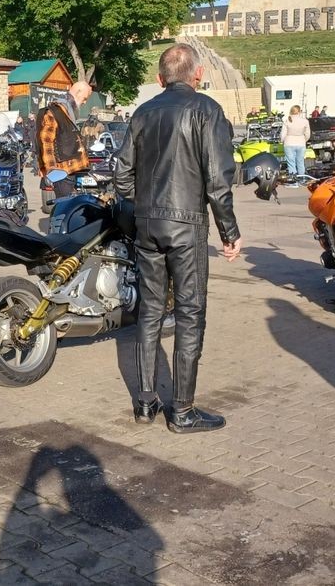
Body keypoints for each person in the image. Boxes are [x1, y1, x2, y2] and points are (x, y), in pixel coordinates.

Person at [112, 43, 241, 434]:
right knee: (189, 314)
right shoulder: (207, 111)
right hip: (187, 227)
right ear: (198, 75)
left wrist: (144, 209)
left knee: (149, 312)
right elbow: (219, 181)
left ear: (159, 79)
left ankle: (146, 403)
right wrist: (230, 233)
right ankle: (182, 411)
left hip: (148, 226)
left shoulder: (142, 113)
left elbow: (121, 177)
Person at [280, 105, 310, 185]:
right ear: (300, 111)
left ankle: (293, 181)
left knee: (291, 162)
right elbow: (308, 134)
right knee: (300, 162)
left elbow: (283, 134)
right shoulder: (305, 121)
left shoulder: (287, 120)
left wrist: (282, 141)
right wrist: (304, 140)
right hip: (301, 142)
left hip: (289, 142)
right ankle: (302, 179)